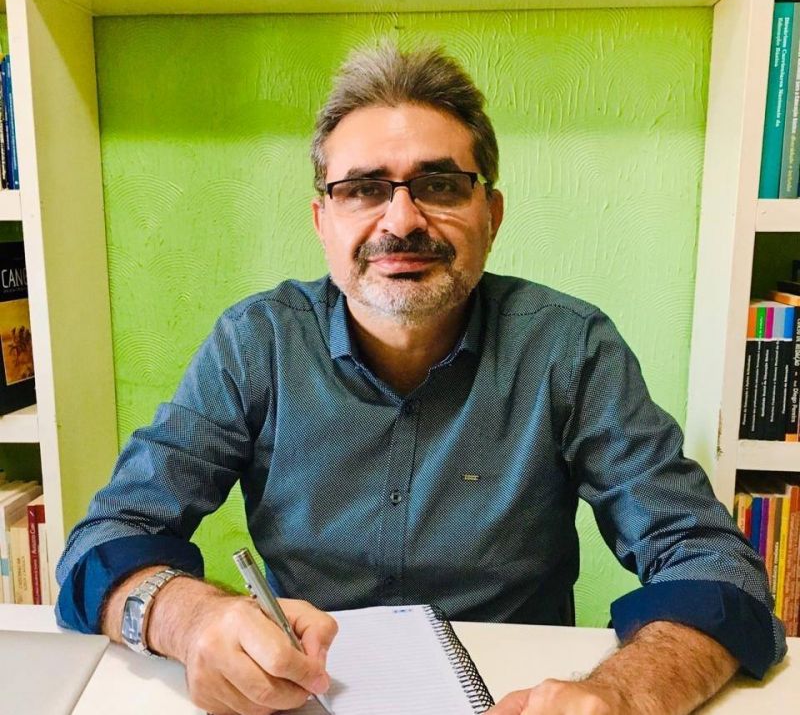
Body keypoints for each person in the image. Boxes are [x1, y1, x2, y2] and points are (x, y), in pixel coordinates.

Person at [56, 42, 785, 715]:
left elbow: (715, 564)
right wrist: (193, 622)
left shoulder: (569, 347)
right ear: (322, 220)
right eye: (363, 189)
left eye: (439, 184)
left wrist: (623, 693)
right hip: (303, 695)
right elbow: (107, 540)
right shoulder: (256, 343)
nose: (401, 220)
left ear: (491, 214)